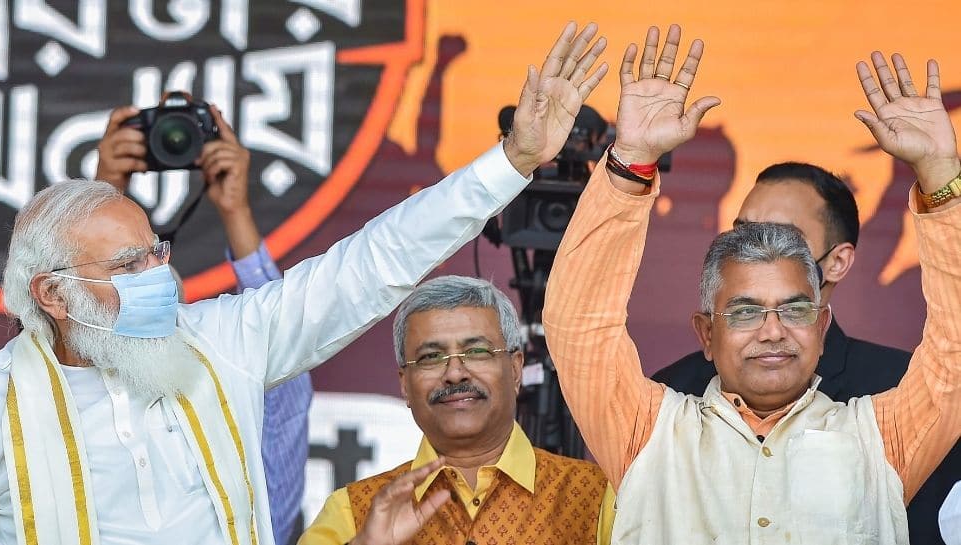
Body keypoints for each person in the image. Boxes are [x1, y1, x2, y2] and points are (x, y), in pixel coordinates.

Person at [0, 21, 609, 545]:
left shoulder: (220, 342)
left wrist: (513, 161)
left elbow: (374, 261)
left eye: (157, 254)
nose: (159, 276)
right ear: (52, 293)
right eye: (128, 266)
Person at [542, 24, 960, 542]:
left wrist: (943, 174)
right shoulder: (646, 431)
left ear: (822, 324)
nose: (772, 331)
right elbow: (579, 325)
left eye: (793, 310)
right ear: (705, 334)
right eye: (743, 312)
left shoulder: (883, 437)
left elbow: (955, 350)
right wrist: (631, 161)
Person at [651, 160, 959, 543]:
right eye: (743, 233)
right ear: (706, 331)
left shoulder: (900, 396)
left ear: (837, 262)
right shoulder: (668, 401)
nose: (758, 250)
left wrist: (941, 175)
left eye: (783, 236)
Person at [95, 103, 313, 545]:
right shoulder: (60, 410)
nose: (148, 327)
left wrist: (236, 212)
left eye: (162, 310)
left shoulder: (237, 416)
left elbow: (284, 362)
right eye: (129, 302)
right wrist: (102, 199)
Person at [299, 275, 615, 545]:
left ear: (515, 370)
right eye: (430, 357)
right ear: (405, 385)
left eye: (476, 351)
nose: (454, 373)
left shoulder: (598, 499)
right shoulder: (353, 512)